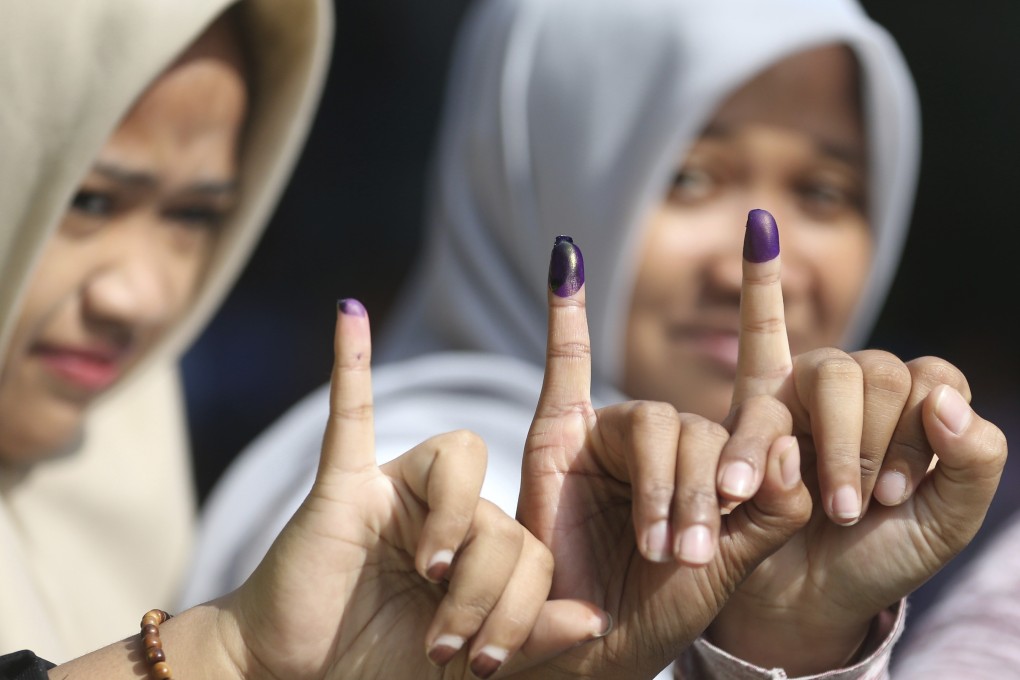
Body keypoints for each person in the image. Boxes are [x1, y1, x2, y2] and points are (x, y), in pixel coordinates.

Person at [183, 0, 1006, 677]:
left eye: (825, 192)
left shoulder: (785, 523)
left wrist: (791, 636)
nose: (759, 270)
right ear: (538, 173)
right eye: (688, 176)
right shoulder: (407, 514)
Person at [0, 1, 624, 678]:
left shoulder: (130, 458)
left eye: (194, 215)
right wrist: (226, 652)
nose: (139, 297)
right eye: (87, 200)